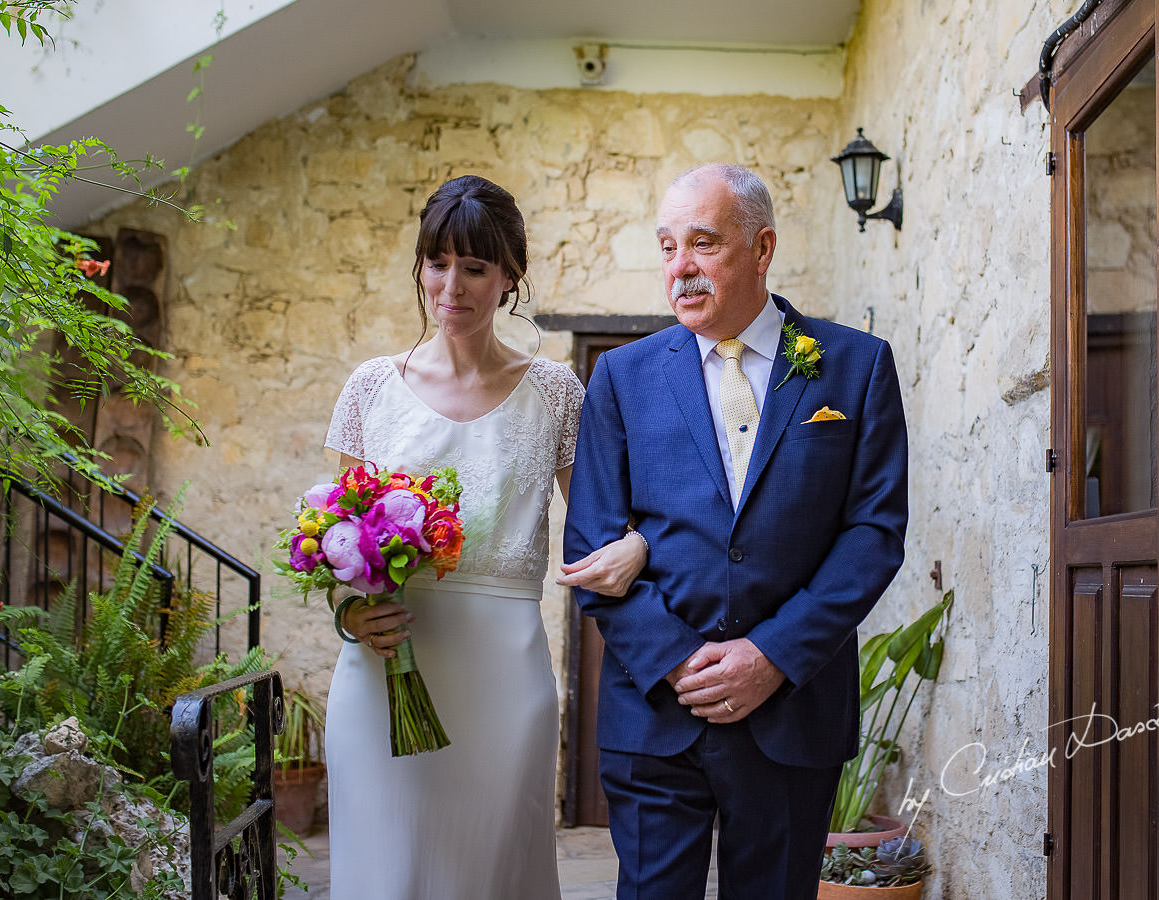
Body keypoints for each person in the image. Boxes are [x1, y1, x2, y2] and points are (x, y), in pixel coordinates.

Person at [563, 163, 909, 900]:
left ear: (762, 247)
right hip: (656, 710)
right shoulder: (620, 379)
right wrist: (680, 662)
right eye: (666, 247)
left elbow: (873, 532)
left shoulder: (855, 366)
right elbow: (590, 547)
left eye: (702, 243)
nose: (679, 268)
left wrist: (772, 655)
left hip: (792, 709)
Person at [322, 174, 647, 900]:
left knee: (494, 873)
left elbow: (603, 527)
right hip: (384, 674)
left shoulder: (558, 392)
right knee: (386, 873)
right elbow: (337, 549)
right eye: (438, 263)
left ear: (509, 279)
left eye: (474, 267)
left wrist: (639, 544)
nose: (452, 286)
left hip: (505, 680)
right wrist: (350, 614)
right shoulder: (370, 388)